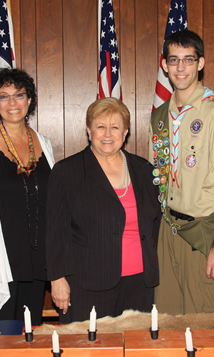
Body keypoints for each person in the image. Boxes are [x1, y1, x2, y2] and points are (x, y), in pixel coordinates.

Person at [46, 97, 161, 323]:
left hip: (140, 283)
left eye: (115, 127)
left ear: (125, 132)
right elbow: (55, 232)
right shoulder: (67, 172)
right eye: (100, 127)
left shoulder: (144, 170)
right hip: (88, 284)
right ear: (89, 131)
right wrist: (57, 279)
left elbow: (154, 223)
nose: (107, 134)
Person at [149, 30, 214, 314]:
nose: (180, 68)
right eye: (173, 60)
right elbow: (158, 175)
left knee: (203, 324)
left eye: (188, 60)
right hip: (167, 229)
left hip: (202, 232)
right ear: (164, 64)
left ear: (200, 63)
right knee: (165, 321)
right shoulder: (160, 114)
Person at [0, 68, 55, 324]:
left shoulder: (43, 143)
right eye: (4, 96)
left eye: (19, 95)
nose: (13, 103)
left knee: (31, 340)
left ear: (29, 100)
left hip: (37, 262)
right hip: (1, 262)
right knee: (1, 340)